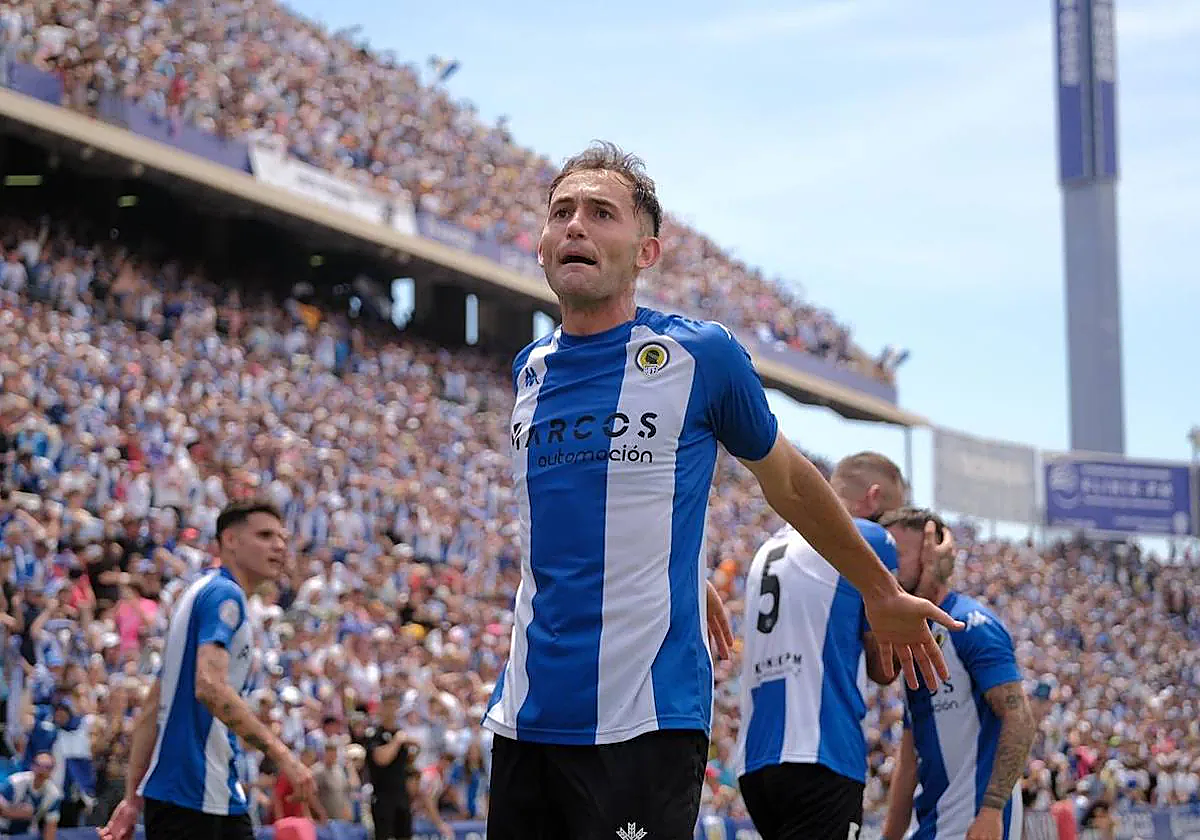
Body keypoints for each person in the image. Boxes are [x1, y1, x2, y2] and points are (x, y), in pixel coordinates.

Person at [482, 141, 963, 840]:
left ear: (646, 251)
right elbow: (585, 507)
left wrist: (879, 590)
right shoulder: (530, 369)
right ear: (543, 242)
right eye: (562, 212)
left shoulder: (699, 356)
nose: (575, 226)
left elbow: (792, 483)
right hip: (526, 713)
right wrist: (688, 566)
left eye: (600, 213)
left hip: (642, 718)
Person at [735, 452, 952, 840]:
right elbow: (884, 667)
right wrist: (929, 581)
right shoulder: (868, 539)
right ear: (873, 498)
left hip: (756, 762)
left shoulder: (769, 548)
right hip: (822, 752)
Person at [98, 500, 319, 840]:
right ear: (230, 540)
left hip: (205, 795)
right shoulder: (224, 595)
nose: (279, 546)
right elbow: (209, 687)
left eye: (282, 537)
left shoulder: (198, 592)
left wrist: (131, 800)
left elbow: (153, 707)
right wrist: (284, 757)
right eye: (264, 535)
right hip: (195, 796)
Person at [879, 508, 1037, 840]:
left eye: (897, 554)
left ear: (930, 552)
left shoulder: (970, 624)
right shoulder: (912, 635)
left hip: (972, 827)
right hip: (932, 826)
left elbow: (1019, 717)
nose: (886, 566)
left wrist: (992, 811)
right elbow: (908, 758)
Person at [363, 693, 423, 840]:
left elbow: (406, 763)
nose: (391, 710)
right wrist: (397, 741)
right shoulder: (375, 734)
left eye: (394, 706)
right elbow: (381, 759)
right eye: (388, 705)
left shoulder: (400, 733)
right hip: (383, 797)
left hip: (401, 796)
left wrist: (414, 748)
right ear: (381, 708)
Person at [0, 751, 62, 840]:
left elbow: (51, 827)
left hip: (26, 833)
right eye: (39, 765)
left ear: (52, 770)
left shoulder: (53, 795)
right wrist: (14, 812)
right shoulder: (16, 782)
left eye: (47, 767)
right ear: (32, 766)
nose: (42, 771)